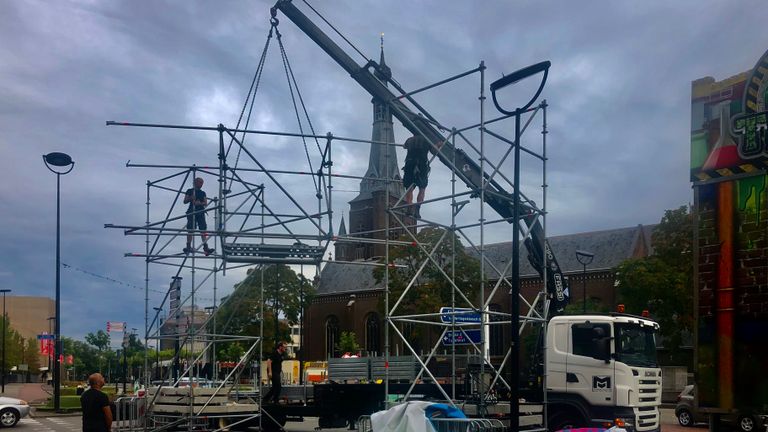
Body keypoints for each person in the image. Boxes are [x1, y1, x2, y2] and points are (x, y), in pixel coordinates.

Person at [402, 134, 441, 218]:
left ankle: (409, 207)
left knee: (409, 188)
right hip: (422, 165)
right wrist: (437, 145)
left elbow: (404, 146)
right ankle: (417, 209)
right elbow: (433, 151)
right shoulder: (426, 139)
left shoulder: (410, 140)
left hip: (410, 164)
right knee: (422, 188)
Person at [184, 177, 214, 256]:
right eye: (200, 182)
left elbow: (205, 203)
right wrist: (191, 198)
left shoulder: (203, 193)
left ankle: (205, 247)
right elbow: (185, 200)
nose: (201, 184)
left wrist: (199, 203)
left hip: (200, 212)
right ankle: (188, 246)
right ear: (195, 182)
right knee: (190, 229)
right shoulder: (190, 191)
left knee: (203, 230)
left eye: (202, 183)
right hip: (192, 211)